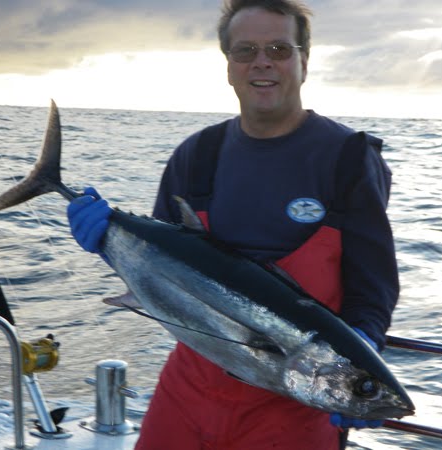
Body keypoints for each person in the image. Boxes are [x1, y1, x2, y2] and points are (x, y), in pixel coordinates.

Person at [67, 0, 399, 448]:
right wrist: (107, 242)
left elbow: (373, 285)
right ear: (228, 65)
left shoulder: (348, 160)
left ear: (305, 62)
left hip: (295, 406)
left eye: (280, 48)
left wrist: (361, 363)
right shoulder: (196, 155)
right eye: (246, 51)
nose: (263, 62)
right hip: (189, 389)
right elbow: (161, 271)